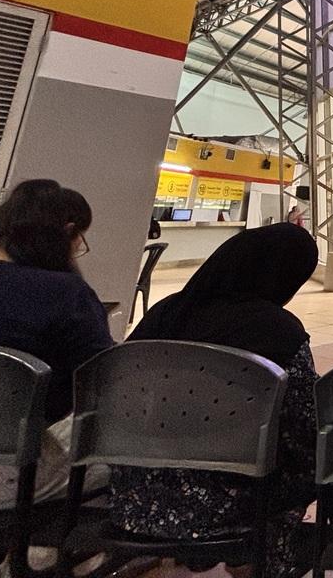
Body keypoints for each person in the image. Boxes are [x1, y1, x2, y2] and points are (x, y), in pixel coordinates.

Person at [111, 224, 319, 578]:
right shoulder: (279, 330)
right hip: (233, 508)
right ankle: (265, 558)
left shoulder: (166, 313)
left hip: (133, 500)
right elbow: (304, 426)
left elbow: (117, 396)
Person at [0, 179, 113, 515]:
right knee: (114, 463)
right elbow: (103, 381)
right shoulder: (66, 293)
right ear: (68, 233)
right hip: (9, 470)